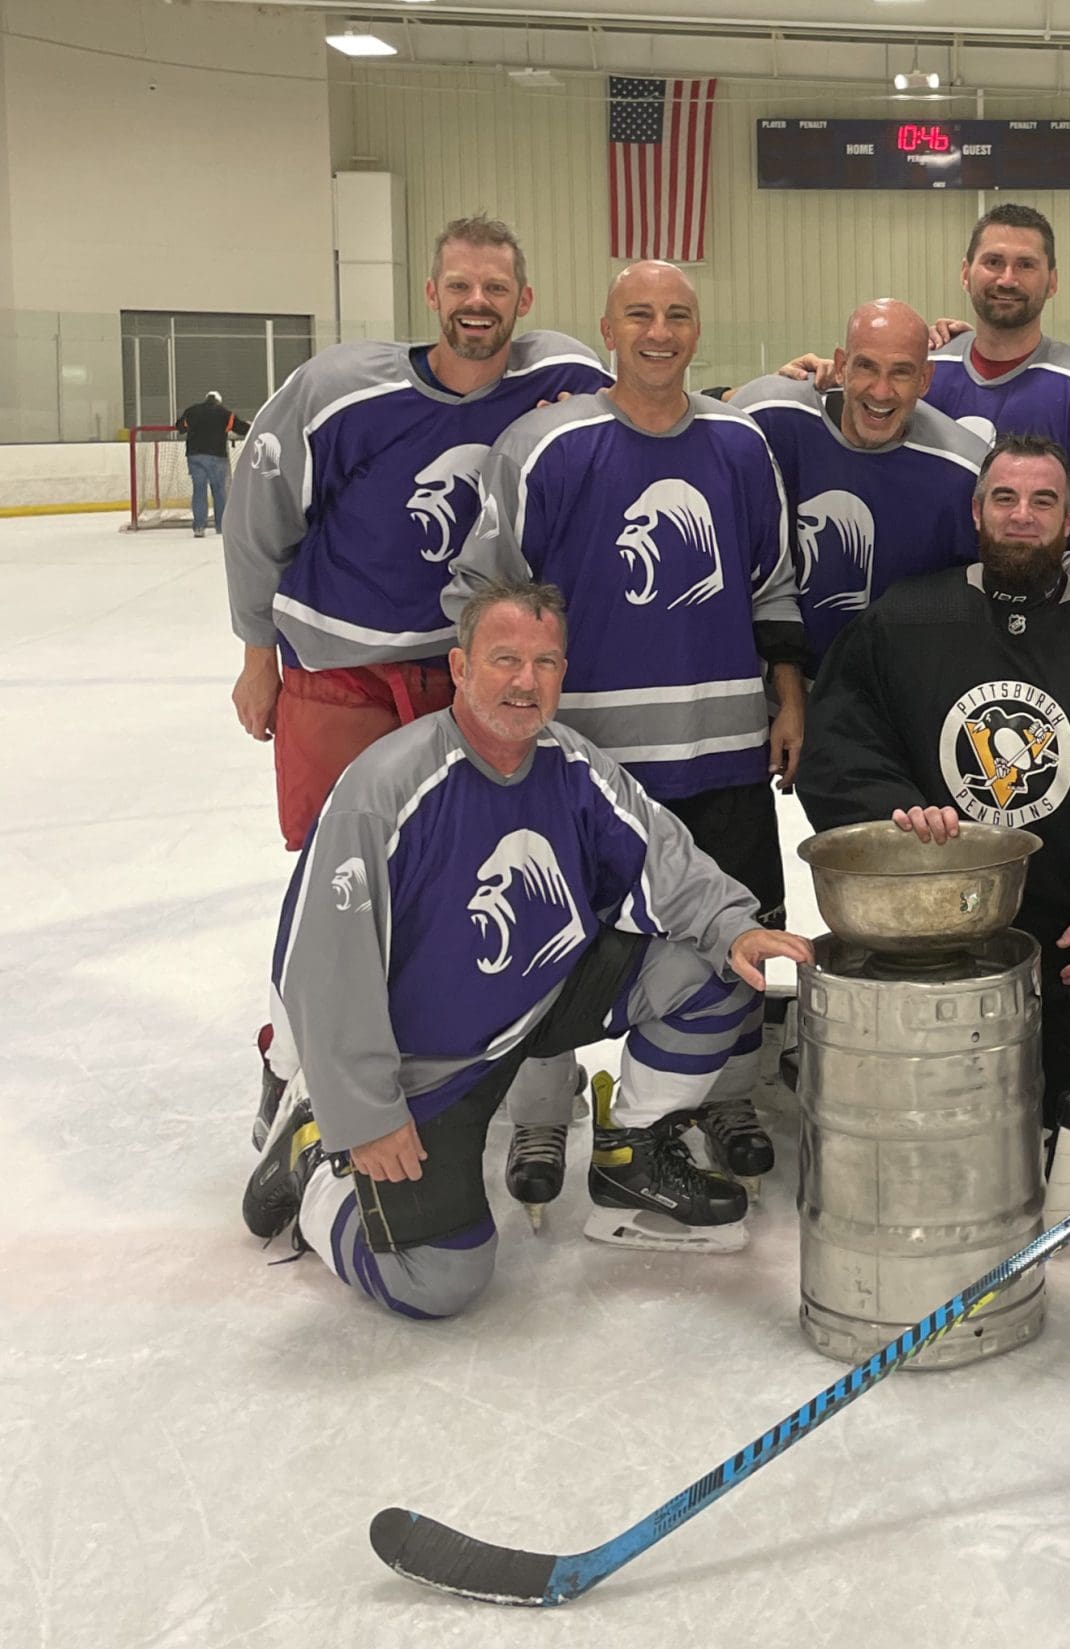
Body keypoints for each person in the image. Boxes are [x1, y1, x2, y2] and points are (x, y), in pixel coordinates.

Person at [241, 579, 814, 1317]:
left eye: (544, 663)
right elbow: (324, 970)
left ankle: (631, 1154)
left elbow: (661, 855)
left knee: (720, 968)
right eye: (505, 659)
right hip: (429, 1066)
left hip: (542, 1000)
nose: (525, 681)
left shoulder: (572, 764)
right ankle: (316, 1155)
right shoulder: (383, 790)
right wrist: (364, 1114)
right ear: (459, 667)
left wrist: (736, 925)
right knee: (439, 1280)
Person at [224, 214, 610, 1147]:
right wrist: (255, 652)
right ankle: (296, 1065)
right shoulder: (337, 391)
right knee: (336, 886)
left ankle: (465, 1070)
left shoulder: (558, 373)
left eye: (496, 289)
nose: (478, 304)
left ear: (523, 301)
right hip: (340, 676)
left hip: (467, 676)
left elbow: (637, 404)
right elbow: (257, 516)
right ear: (431, 294)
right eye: (460, 286)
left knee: (464, 875)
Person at [798, 434, 1070, 1232]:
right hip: (942, 944)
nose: (1022, 516)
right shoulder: (907, 617)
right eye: (1004, 499)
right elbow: (842, 743)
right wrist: (896, 815)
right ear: (977, 512)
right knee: (923, 1162)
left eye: (1042, 502)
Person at [443, 260, 804, 1225]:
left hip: (722, 755)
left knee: (735, 927)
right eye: (638, 313)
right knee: (554, 934)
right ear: (606, 329)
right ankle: (539, 1112)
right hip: (583, 770)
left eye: (677, 313)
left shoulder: (739, 443)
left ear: (698, 329)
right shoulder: (545, 445)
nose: (658, 330)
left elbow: (771, 584)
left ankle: (721, 1098)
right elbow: (481, 590)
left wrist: (787, 696)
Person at [734, 299, 1070, 671]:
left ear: (925, 380)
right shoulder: (767, 415)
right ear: (842, 364)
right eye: (866, 366)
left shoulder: (962, 467)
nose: (881, 390)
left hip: (894, 696)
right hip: (780, 692)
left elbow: (1015, 552)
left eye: (901, 372)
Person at [921, 203, 1070, 570]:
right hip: (934, 601)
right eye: (993, 262)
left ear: (1052, 282)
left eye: (1026, 265)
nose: (1007, 279)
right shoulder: (921, 376)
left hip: (1054, 603)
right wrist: (820, 377)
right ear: (966, 273)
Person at [175, 390, 245, 537]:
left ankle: (199, 527)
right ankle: (221, 527)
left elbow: (180, 427)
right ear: (218, 401)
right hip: (217, 457)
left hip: (195, 456)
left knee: (199, 490)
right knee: (219, 491)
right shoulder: (225, 413)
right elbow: (240, 428)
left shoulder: (192, 411)